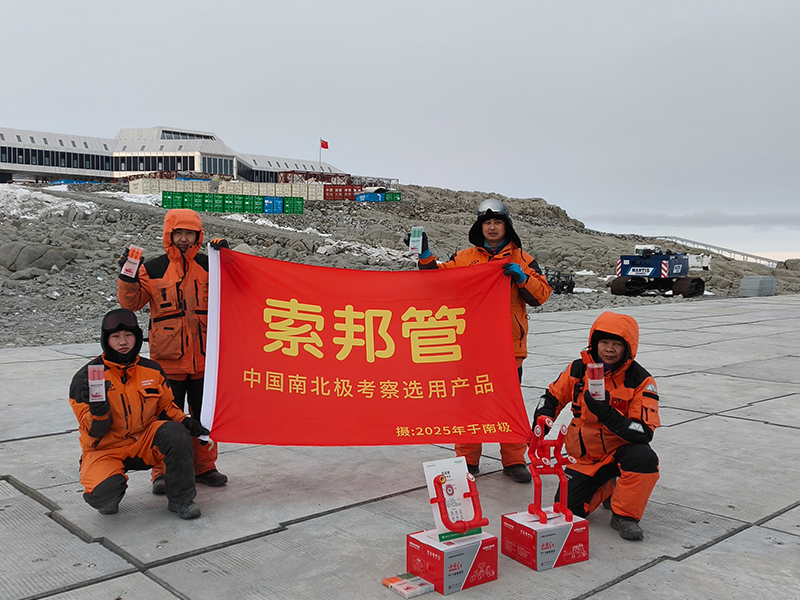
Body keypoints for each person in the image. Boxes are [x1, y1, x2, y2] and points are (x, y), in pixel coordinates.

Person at [415, 198, 552, 483]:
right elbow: (436, 281)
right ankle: (467, 459)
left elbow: (541, 295)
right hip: (472, 346)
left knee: (508, 404)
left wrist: (521, 278)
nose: (491, 227)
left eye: (497, 222)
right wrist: (425, 256)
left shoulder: (524, 260)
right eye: (487, 222)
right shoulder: (464, 258)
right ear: (480, 227)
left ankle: (514, 460)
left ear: (506, 226)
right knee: (469, 403)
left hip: (509, 348)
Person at [117, 208, 228, 494]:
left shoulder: (211, 265)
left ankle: (204, 466)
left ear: (198, 235)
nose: (184, 238)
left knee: (205, 418)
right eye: (179, 233)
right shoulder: (152, 268)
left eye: (189, 233)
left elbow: (239, 288)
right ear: (169, 235)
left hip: (206, 361)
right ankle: (162, 472)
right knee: (166, 421)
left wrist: (227, 259)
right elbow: (131, 304)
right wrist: (128, 277)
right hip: (167, 362)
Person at [68, 309, 208, 519]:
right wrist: (99, 412)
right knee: (103, 497)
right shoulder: (86, 378)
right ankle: (107, 485)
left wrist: (187, 423)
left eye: (128, 335)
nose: (123, 342)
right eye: (115, 336)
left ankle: (182, 501)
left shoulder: (152, 370)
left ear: (137, 337)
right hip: (105, 448)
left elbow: (167, 408)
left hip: (143, 441)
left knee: (177, 434)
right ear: (105, 340)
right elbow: (92, 432)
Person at [532, 311, 660, 540]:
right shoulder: (578, 369)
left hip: (619, 452)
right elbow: (551, 397)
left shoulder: (641, 380)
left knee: (644, 458)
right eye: (604, 342)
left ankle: (625, 517)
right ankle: (607, 486)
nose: (609, 349)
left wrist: (607, 413)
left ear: (628, 347)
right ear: (595, 343)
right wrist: (542, 423)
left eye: (617, 344)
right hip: (583, 458)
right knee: (567, 511)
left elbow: (644, 432)